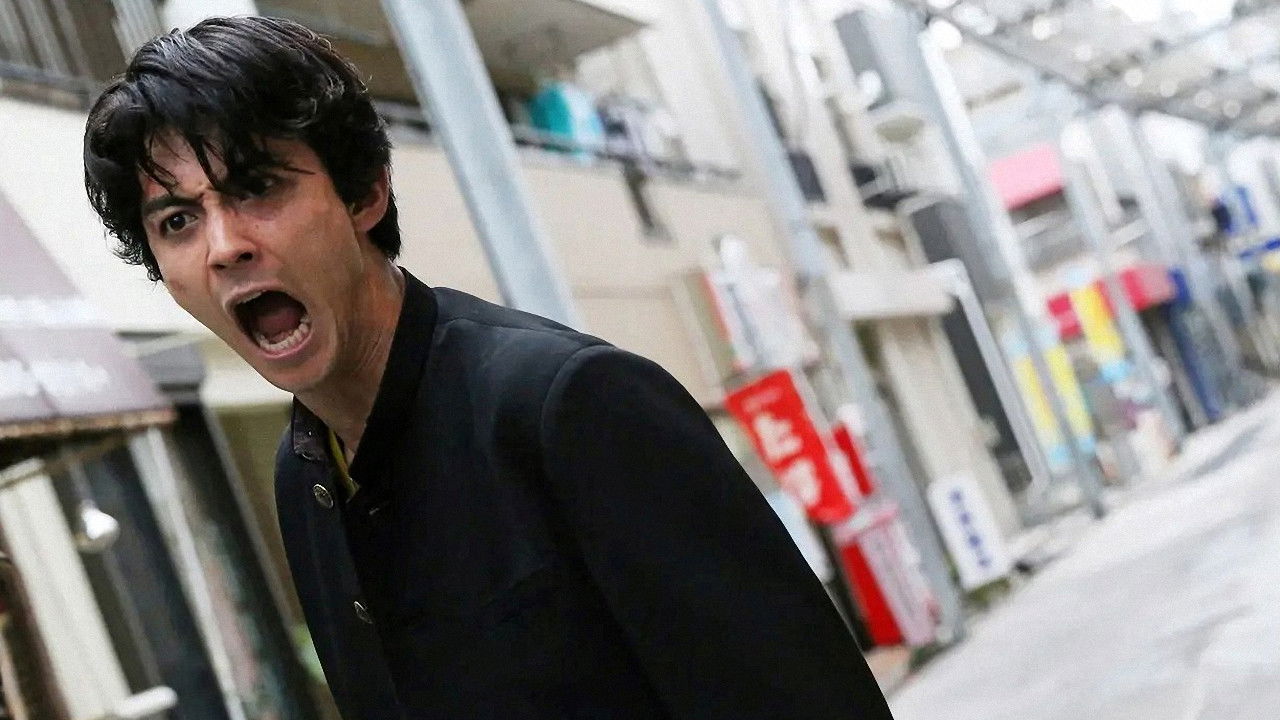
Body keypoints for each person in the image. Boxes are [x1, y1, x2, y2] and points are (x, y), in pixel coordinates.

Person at [83, 16, 894, 719]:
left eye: (258, 187)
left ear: (365, 193)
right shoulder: (305, 478)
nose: (225, 246)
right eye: (178, 220)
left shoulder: (568, 404)